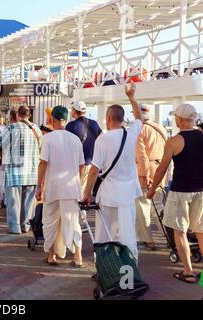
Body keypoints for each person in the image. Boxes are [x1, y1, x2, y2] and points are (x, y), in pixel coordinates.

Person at [82, 84, 143, 260]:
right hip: (128, 193)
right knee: (127, 234)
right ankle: (129, 270)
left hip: (108, 194)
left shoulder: (103, 139)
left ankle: (104, 268)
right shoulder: (130, 135)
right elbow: (139, 118)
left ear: (108, 118)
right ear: (122, 119)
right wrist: (131, 98)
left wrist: (87, 194)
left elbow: (94, 171)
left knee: (103, 234)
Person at [147, 104, 203, 284]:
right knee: (201, 231)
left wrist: (152, 189)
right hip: (201, 191)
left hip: (180, 192)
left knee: (179, 232)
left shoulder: (174, 141)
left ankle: (188, 272)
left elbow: (162, 169)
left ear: (180, 119)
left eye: (176, 118)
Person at [36, 106, 85, 267]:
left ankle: (51, 255)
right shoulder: (75, 139)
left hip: (53, 187)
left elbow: (43, 163)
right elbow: (81, 166)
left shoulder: (48, 139)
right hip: (71, 188)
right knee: (73, 222)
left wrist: (39, 186)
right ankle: (77, 257)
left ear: (52, 120)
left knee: (50, 221)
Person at [2, 106, 41, 235]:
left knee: (14, 200)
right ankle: (25, 226)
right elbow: (41, 146)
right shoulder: (36, 129)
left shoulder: (12, 128)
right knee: (28, 202)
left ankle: (15, 227)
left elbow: (2, 144)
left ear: (18, 115)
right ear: (29, 115)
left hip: (14, 171)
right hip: (31, 171)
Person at [134, 104, 168, 251]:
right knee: (159, 206)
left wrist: (143, 175)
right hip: (161, 170)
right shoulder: (161, 128)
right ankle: (169, 237)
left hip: (147, 171)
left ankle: (148, 240)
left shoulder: (140, 130)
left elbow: (141, 156)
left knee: (143, 206)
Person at [66, 101, 102, 190]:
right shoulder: (94, 124)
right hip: (91, 164)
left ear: (74, 111)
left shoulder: (70, 126)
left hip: (76, 165)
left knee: (76, 191)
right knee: (86, 191)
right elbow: (101, 139)